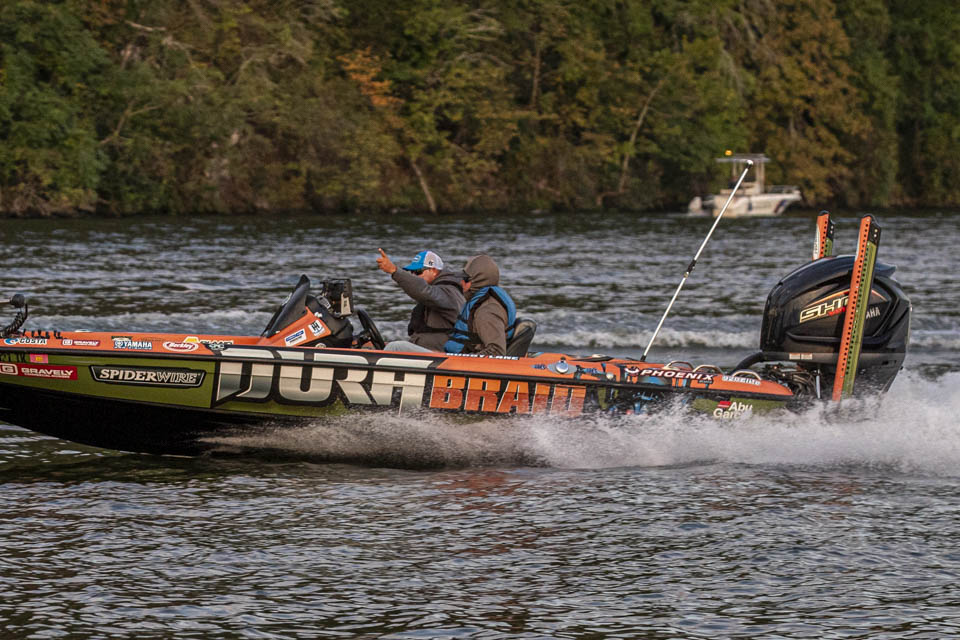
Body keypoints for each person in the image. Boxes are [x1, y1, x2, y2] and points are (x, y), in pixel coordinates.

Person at [376, 248, 465, 352]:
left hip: (445, 356)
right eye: (411, 272)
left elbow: (423, 291)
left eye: (418, 272)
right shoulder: (437, 289)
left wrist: (394, 271)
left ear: (433, 271)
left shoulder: (448, 291)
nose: (414, 276)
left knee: (395, 347)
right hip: (430, 352)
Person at [444, 254, 516, 356]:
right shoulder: (480, 301)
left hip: (466, 363)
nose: (461, 282)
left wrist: (469, 360)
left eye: (465, 279)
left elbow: (497, 352)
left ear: (477, 281)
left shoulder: (486, 311)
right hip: (458, 357)